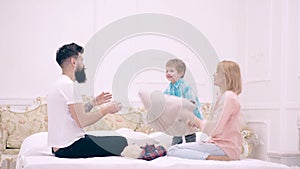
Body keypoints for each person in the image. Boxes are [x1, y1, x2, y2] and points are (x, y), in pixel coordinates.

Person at [47, 43, 128, 158]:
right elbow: (82, 121)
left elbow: (73, 115)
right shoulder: (69, 86)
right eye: (82, 60)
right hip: (69, 147)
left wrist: (92, 103)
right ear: (74, 62)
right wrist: (107, 110)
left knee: (109, 138)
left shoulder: (58, 83)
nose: (84, 65)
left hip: (60, 146)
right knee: (121, 141)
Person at [167, 60, 243, 161]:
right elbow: (217, 126)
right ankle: (214, 156)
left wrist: (196, 121)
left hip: (224, 147)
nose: (214, 75)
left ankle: (214, 158)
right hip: (220, 145)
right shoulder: (225, 96)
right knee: (175, 148)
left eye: (217, 72)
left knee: (173, 150)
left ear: (225, 76)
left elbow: (215, 128)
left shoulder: (229, 97)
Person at [164, 58, 203, 145]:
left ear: (180, 73)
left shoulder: (184, 85)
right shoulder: (170, 86)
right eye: (166, 71)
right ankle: (176, 148)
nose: (168, 73)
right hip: (178, 116)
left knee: (189, 134)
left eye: (171, 71)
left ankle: (191, 148)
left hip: (188, 114)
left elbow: (191, 100)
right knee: (177, 133)